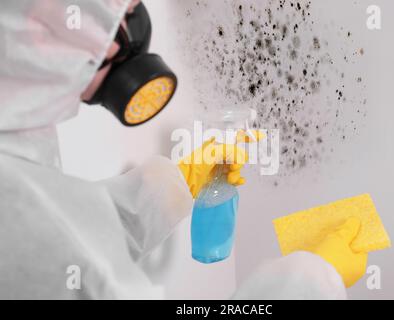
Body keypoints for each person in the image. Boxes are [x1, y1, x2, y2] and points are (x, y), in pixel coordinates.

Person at [0, 0, 366, 299]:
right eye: (119, 7)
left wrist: (169, 186)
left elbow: (74, 231)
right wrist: (311, 281)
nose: (134, 15)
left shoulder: (18, 144)